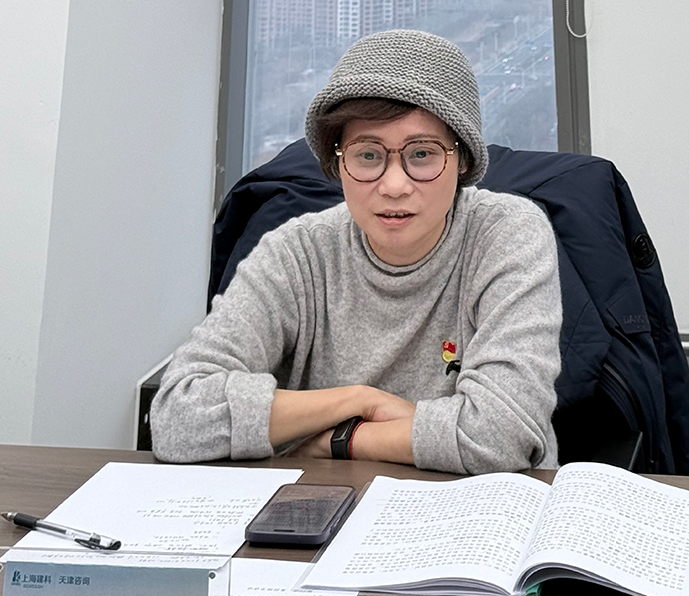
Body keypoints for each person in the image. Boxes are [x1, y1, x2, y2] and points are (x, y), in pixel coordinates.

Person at [151, 29, 562, 474]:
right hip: (325, 504)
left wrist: (340, 440)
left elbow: (503, 436)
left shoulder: (506, 233)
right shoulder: (297, 254)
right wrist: (358, 400)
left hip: (474, 505)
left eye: (422, 154)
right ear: (338, 162)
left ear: (462, 160)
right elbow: (176, 417)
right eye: (368, 156)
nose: (394, 185)